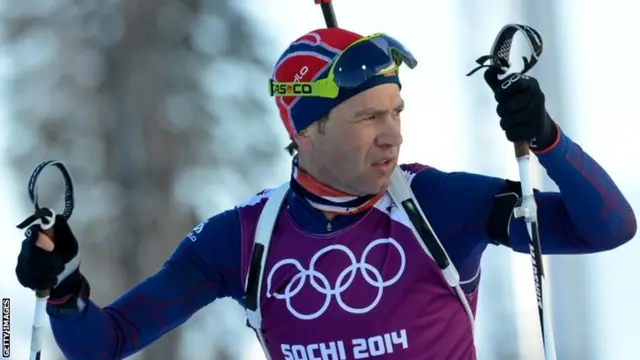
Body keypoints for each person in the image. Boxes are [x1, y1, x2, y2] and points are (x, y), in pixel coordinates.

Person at [15, 27, 636, 360]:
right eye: (367, 118)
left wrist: (547, 138)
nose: (393, 133)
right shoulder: (240, 240)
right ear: (305, 131)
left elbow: (606, 227)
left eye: (396, 111)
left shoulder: (438, 205)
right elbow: (105, 344)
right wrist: (62, 285)